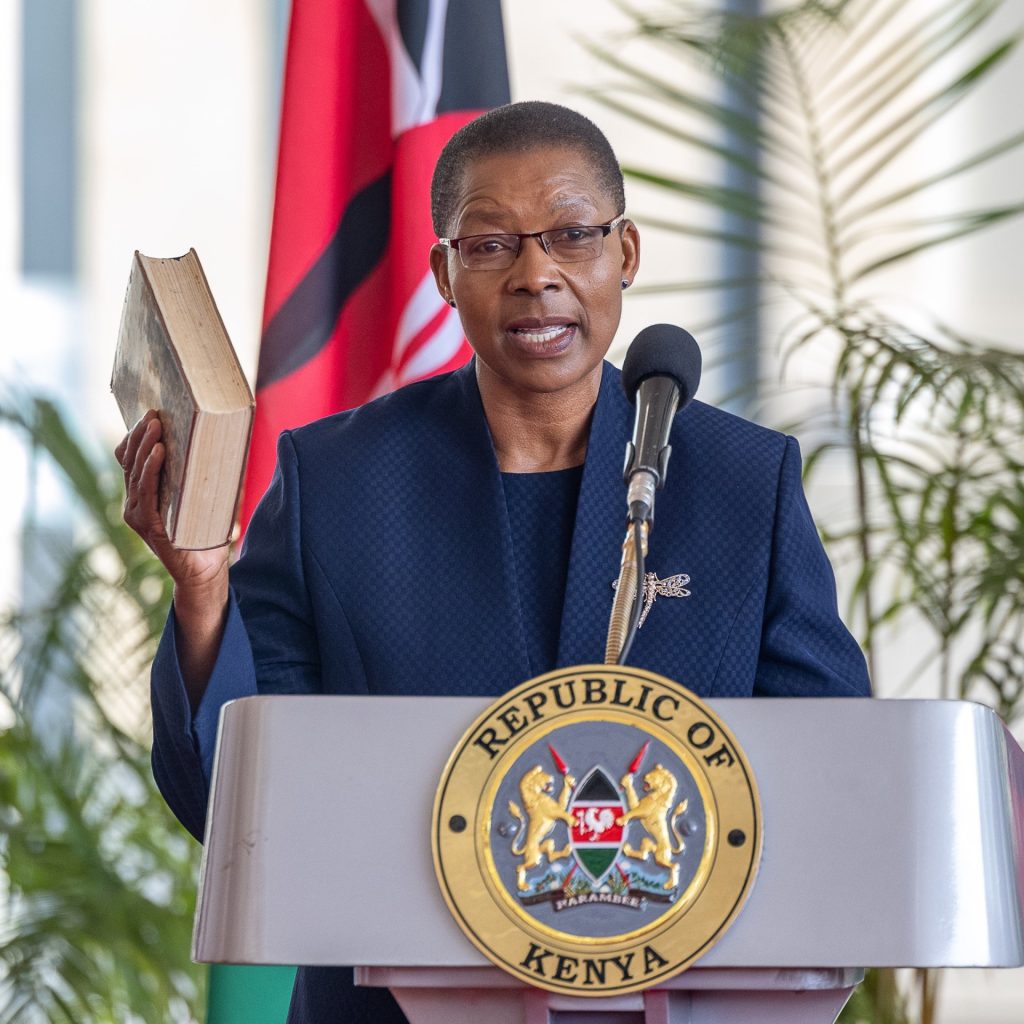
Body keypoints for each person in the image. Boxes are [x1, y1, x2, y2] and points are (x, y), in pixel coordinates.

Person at [117, 101, 870, 1024]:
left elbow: (840, 783)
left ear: (625, 253)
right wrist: (201, 591)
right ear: (442, 272)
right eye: (491, 245)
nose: (537, 275)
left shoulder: (740, 482)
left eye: (573, 236)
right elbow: (230, 806)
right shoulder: (339, 481)